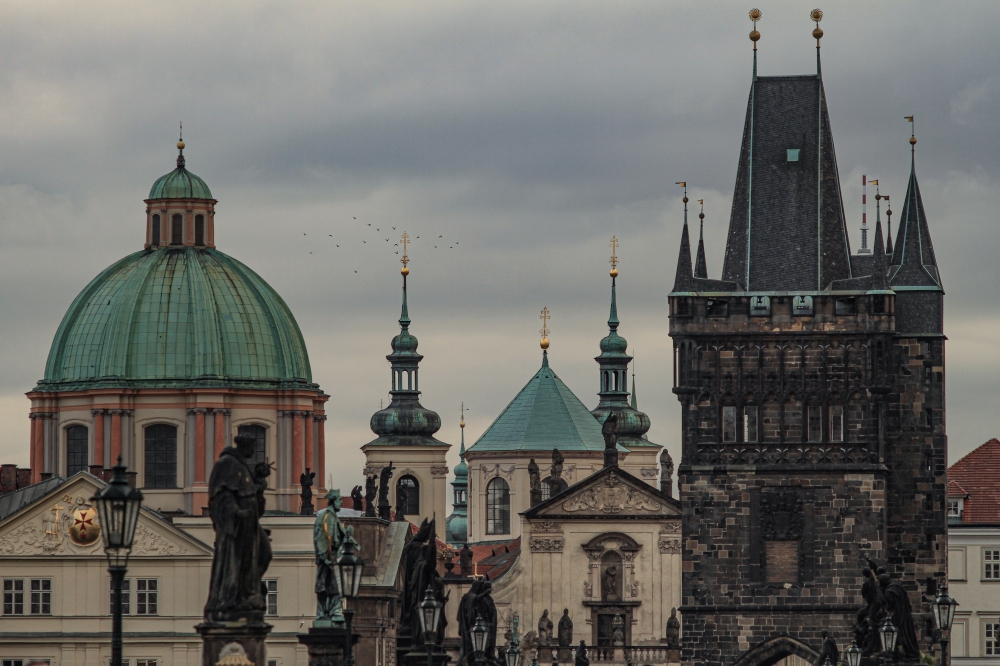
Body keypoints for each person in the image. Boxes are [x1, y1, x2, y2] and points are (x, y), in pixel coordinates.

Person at [204, 434, 272, 622]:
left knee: (263, 554)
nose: (253, 450)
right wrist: (235, 512)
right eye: (252, 446)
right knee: (237, 561)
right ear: (245, 446)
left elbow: (253, 497)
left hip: (249, 523)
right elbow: (220, 495)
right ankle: (233, 598)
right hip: (235, 525)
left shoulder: (241, 466)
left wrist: (259, 479)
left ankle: (248, 593)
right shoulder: (227, 463)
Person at [313, 489, 355, 626]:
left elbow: (339, 537)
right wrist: (323, 557)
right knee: (326, 586)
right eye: (339, 500)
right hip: (328, 559)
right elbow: (320, 538)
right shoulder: (326, 517)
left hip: (334, 557)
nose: (341, 503)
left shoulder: (333, 517)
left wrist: (347, 535)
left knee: (333, 586)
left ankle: (332, 611)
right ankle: (327, 612)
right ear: (333, 500)